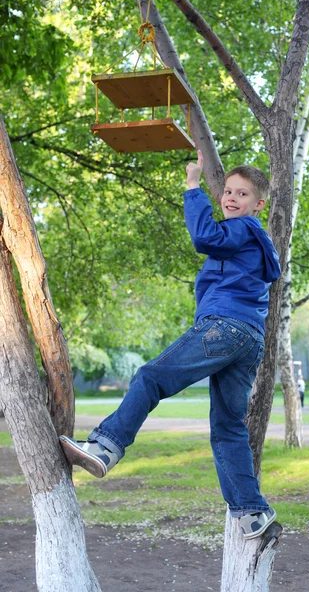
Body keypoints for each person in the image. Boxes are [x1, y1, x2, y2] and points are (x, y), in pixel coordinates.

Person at [60, 150, 281, 540]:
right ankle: (251, 512)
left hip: (225, 329)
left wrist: (193, 186)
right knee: (228, 426)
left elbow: (204, 236)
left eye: (241, 194)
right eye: (227, 191)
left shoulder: (243, 229)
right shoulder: (256, 244)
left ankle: (106, 447)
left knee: (151, 376)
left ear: (258, 204)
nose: (231, 198)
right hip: (249, 339)